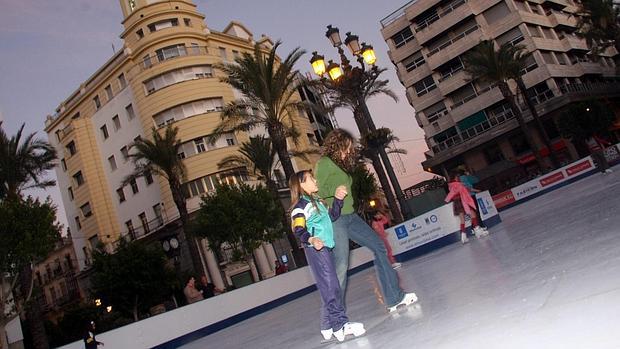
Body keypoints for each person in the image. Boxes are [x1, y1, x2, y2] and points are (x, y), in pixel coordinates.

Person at [314, 129, 418, 313]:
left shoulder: (340, 165)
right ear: (336, 145)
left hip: (351, 216)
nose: (348, 152)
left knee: (379, 246)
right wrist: (334, 191)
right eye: (345, 148)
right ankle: (333, 316)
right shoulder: (324, 164)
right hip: (336, 218)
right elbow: (318, 191)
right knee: (341, 264)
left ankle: (394, 298)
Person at [290, 170, 365, 342]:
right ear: (301, 184)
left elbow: (332, 216)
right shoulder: (300, 206)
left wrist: (338, 199)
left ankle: (327, 325)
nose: (315, 180)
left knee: (329, 285)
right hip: (316, 249)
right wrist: (311, 238)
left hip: (325, 247)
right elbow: (298, 228)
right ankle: (340, 325)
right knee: (332, 286)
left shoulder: (316, 201)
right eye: (311, 178)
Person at [445, 174, 488, 244]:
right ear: (454, 178)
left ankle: (463, 236)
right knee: (473, 214)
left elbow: (451, 194)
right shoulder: (458, 184)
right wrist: (476, 191)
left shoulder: (451, 185)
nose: (458, 178)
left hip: (457, 203)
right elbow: (467, 189)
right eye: (457, 177)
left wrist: (447, 200)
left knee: (462, 220)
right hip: (462, 201)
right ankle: (478, 231)